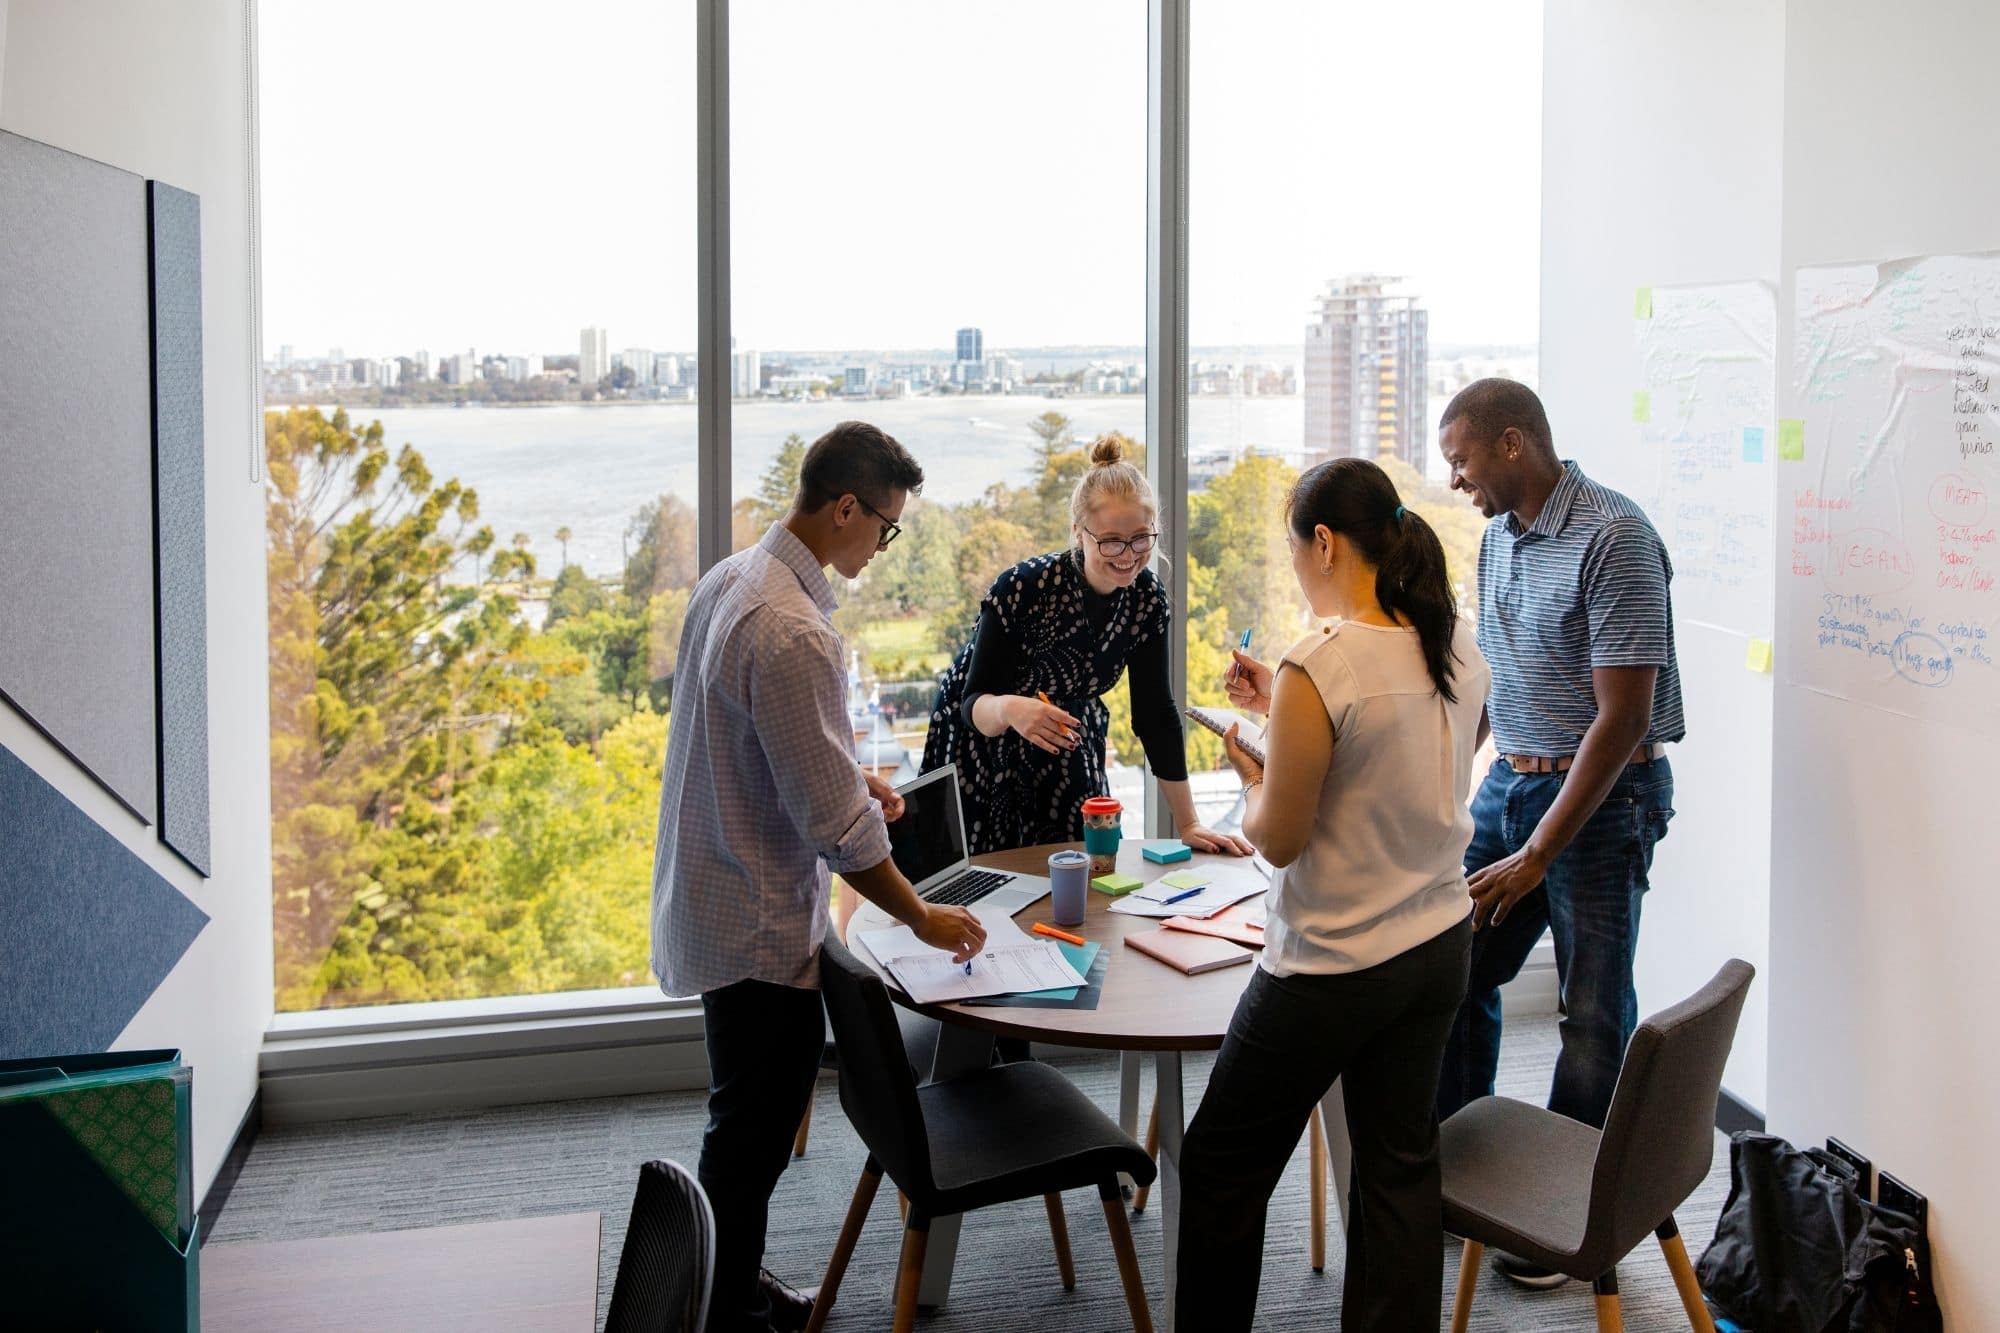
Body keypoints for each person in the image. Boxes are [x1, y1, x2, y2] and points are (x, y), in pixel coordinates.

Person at [651, 421, 987, 1333]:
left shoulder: (733, 579)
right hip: (758, 922)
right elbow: (839, 831)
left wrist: (851, 774)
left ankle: (732, 1275)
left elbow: (763, 745)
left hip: (713, 890)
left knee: (744, 1125)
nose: (883, 547)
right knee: (750, 1139)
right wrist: (922, 917)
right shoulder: (794, 630)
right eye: (885, 528)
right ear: (846, 507)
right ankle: (721, 1313)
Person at [1176, 456, 1490, 1330]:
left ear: (1323, 542)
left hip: (1333, 964)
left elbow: (1276, 836)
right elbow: (1403, 765)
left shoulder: (1322, 660)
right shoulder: (1456, 641)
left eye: (1292, 549)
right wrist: (1291, 713)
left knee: (1221, 1164)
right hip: (1435, 944)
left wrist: (1254, 767)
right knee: (1397, 1169)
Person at [1432, 378, 1683, 1289]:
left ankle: (1562, 1221)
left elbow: (1622, 719)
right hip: (1511, 786)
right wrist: (1456, 781)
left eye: (1461, 459)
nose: (1455, 479)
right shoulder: (1498, 540)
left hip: (1605, 800)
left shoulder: (1614, 536)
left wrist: (1540, 853)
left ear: (1511, 443)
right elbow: (1499, 678)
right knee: (1455, 968)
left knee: (1590, 1012)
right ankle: (1459, 1169)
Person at [921, 433, 1251, 856]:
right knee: (991, 885)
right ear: (1079, 532)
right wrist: (1011, 708)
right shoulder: (1023, 587)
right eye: (1111, 541)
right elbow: (972, 702)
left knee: (1084, 868)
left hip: (1065, 736)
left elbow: (1156, 716)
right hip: (982, 742)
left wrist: (1188, 823)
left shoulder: (1147, 599)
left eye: (1141, 538)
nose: (1128, 555)